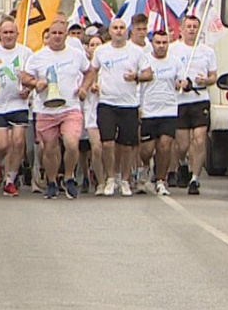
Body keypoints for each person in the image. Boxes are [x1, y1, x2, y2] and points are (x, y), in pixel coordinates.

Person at [21, 18, 94, 200]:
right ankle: (52, 181)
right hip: (46, 109)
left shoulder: (76, 55)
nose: (57, 36)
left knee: (71, 143)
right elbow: (24, 77)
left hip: (70, 107)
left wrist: (84, 87)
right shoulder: (38, 57)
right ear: (48, 36)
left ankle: (69, 177)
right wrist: (35, 83)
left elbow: (90, 71)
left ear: (66, 35)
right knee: (50, 148)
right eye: (53, 33)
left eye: (60, 33)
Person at [91, 18, 153, 197]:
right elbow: (92, 71)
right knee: (107, 142)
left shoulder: (136, 52)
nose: (118, 31)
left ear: (127, 31)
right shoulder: (101, 51)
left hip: (129, 104)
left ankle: (125, 180)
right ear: (109, 31)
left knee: (127, 145)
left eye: (121, 28)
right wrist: (93, 85)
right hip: (107, 103)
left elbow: (148, 74)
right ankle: (111, 178)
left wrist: (137, 76)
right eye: (115, 28)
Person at [170, 15, 217, 195]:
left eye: (194, 27)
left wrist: (207, 80)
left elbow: (214, 76)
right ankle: (182, 163)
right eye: (188, 26)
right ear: (181, 29)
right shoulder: (174, 50)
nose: (191, 30)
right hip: (180, 100)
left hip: (200, 99)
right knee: (181, 144)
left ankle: (195, 179)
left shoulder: (207, 51)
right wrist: (177, 82)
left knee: (199, 139)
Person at [0, 17, 33, 196]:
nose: (8, 36)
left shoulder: (25, 52)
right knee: (3, 145)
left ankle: (10, 179)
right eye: (5, 32)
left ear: (17, 34)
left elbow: (32, 77)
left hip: (18, 103)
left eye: (11, 33)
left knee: (19, 141)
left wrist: (28, 89)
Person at [140, 31, 186, 196]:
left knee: (165, 146)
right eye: (158, 43)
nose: (161, 46)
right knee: (146, 149)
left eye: (164, 43)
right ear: (152, 43)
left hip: (169, 109)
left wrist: (182, 83)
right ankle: (145, 167)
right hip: (148, 110)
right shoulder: (145, 60)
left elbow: (182, 80)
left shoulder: (175, 62)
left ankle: (161, 180)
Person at [81, 33, 105, 194]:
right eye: (92, 45)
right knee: (85, 148)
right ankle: (85, 175)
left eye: (98, 44)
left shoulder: (107, 67)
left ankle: (101, 178)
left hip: (104, 110)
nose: (95, 48)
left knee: (101, 147)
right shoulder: (83, 68)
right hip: (86, 110)